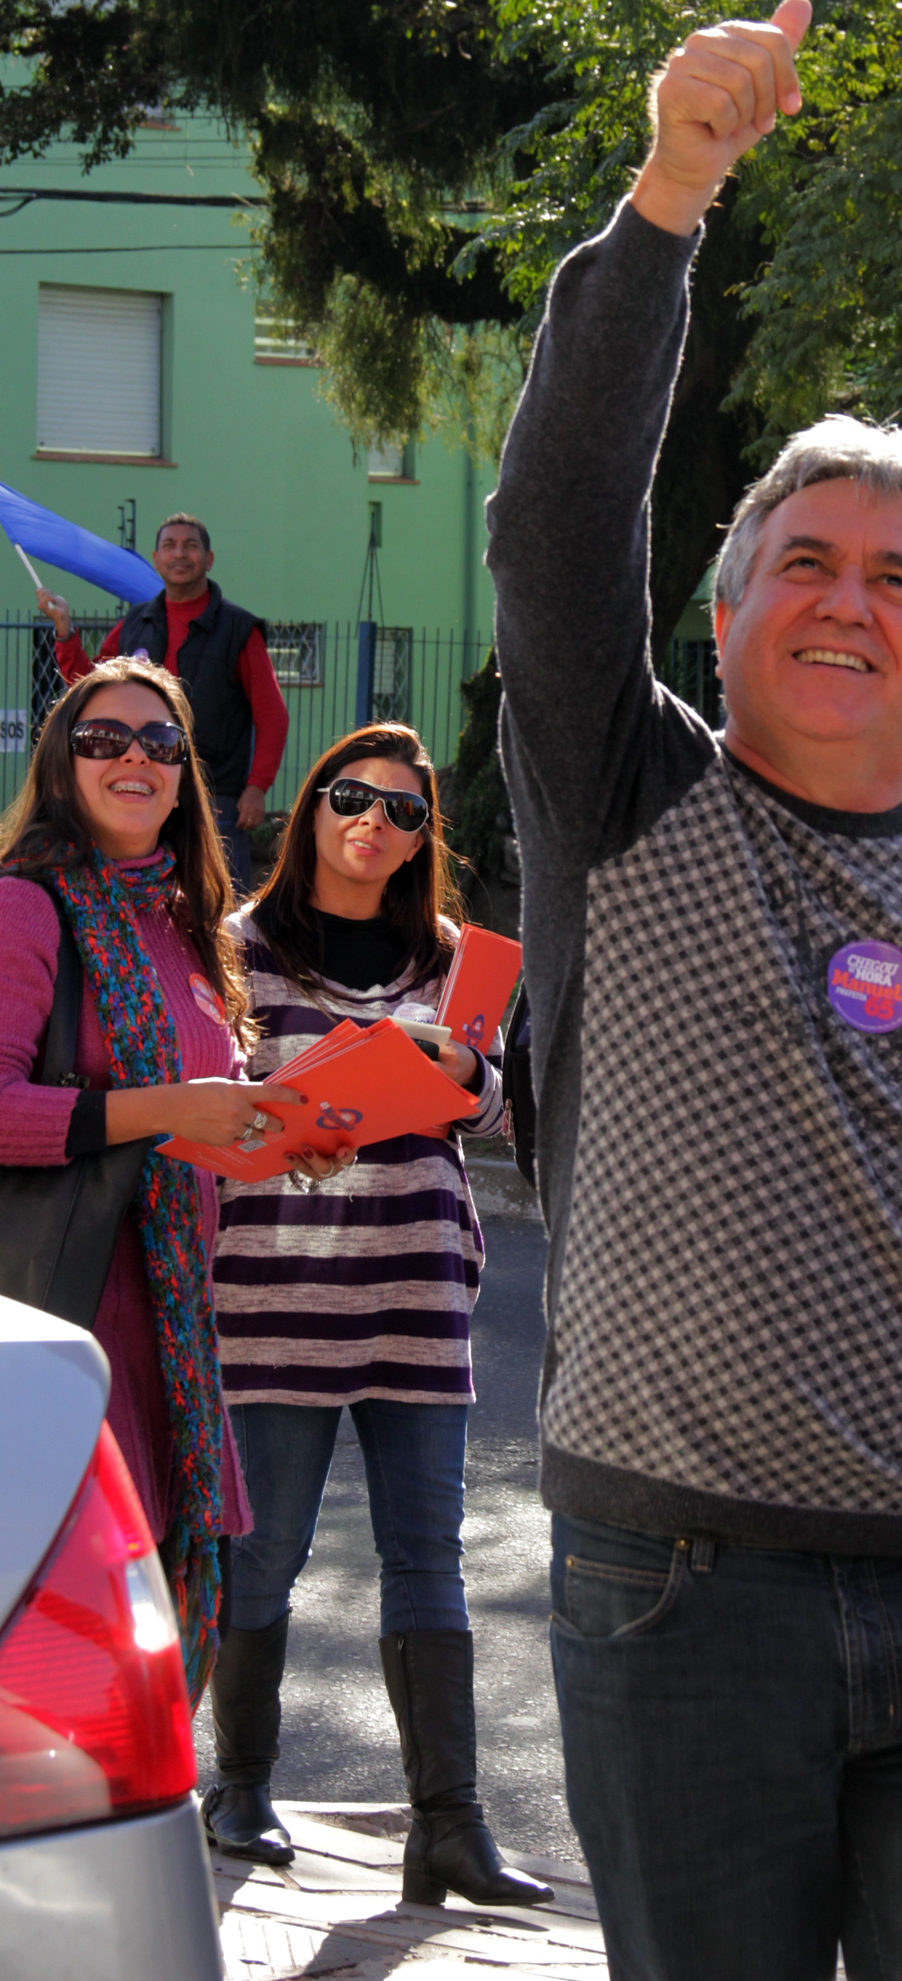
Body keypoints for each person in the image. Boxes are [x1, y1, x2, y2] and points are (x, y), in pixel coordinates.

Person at [487, 0, 902, 1981]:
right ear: (723, 612)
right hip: (674, 1596)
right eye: (803, 559)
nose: (846, 598)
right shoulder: (628, 804)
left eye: (896, 576)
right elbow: (548, 533)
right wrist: (674, 188)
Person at [201, 723, 552, 1910]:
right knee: (267, 1550)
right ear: (310, 809)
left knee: (429, 1562)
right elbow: (216, 1104)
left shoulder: (455, 958)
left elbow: (493, 1101)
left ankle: (448, 1826)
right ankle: (239, 1786)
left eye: (403, 812)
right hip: (275, 1294)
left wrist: (455, 1073)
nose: (374, 823)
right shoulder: (240, 945)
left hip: (412, 1286)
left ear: (420, 840)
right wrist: (287, 1109)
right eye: (352, 798)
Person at [0, 660, 308, 1701]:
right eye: (103, 740)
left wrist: (273, 1133)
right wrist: (172, 1108)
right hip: (61, 1330)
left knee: (143, 1674)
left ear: (183, 776)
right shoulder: (24, 909)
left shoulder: (183, 928)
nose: (133, 757)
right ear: (60, 764)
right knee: (61, 1676)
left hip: (170, 1337)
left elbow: (189, 1123)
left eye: (159, 743)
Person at [36, 512, 290, 894]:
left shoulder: (238, 629)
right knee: (137, 901)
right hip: (143, 785)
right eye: (170, 545)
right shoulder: (135, 622)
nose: (179, 554)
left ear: (209, 558)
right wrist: (65, 632)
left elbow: (273, 716)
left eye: (190, 545)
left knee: (217, 903)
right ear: (156, 558)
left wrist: (257, 788)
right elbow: (90, 692)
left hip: (215, 798)